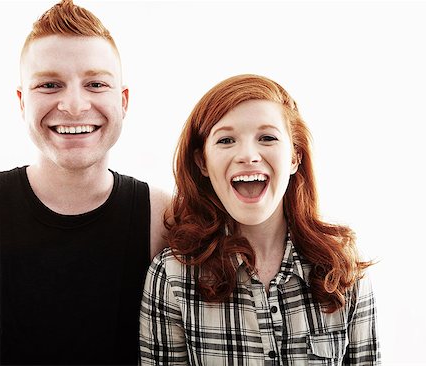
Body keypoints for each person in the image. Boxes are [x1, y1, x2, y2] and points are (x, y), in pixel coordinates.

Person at [0, 1, 169, 365]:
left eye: (96, 83)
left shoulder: (164, 215)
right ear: (22, 102)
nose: (73, 105)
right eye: (50, 84)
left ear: (123, 101)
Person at [139, 74, 380, 364]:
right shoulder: (173, 275)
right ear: (202, 162)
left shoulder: (343, 268)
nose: (248, 155)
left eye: (267, 138)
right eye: (226, 140)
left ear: (294, 157)